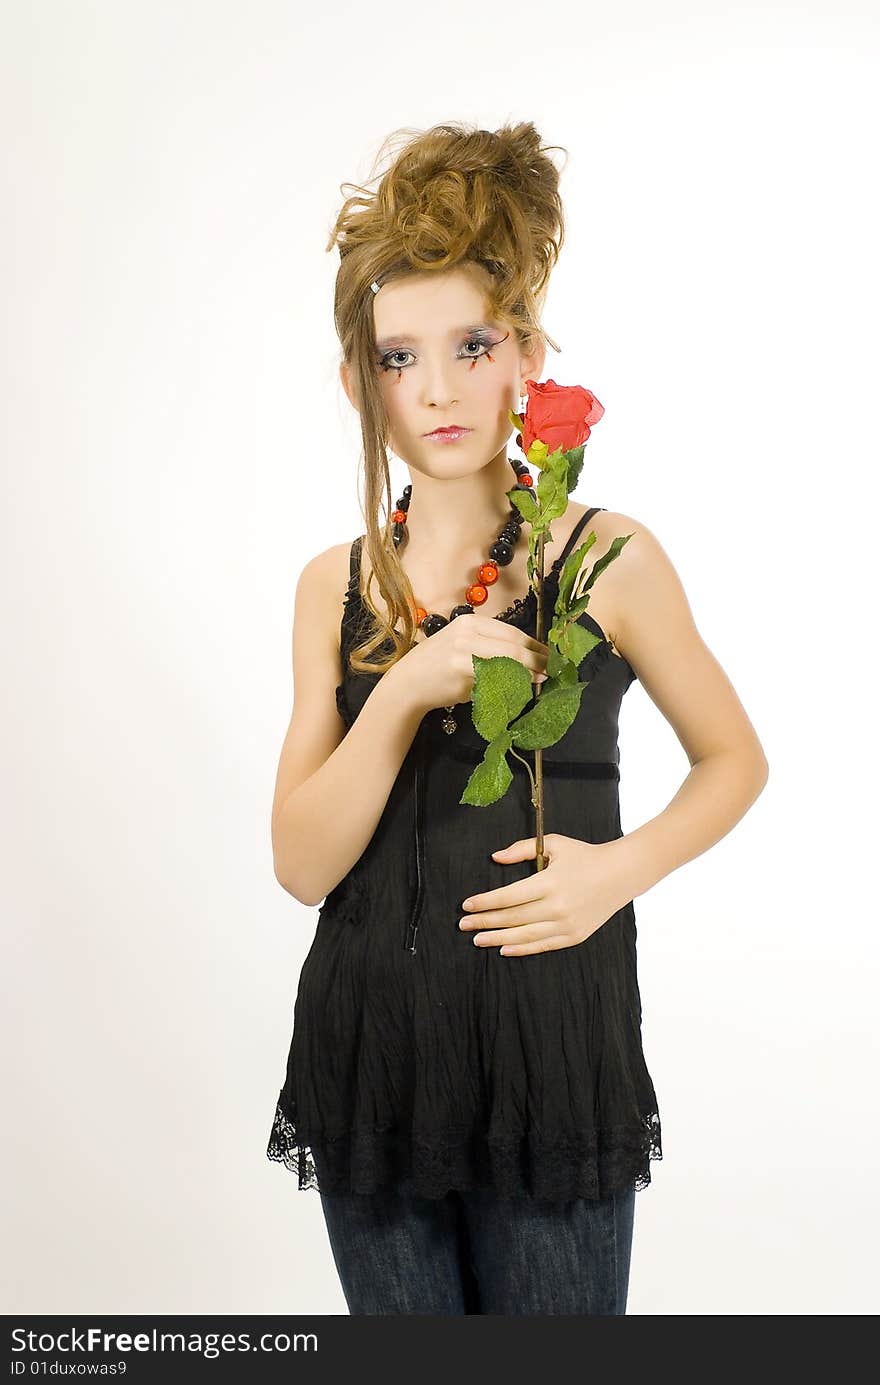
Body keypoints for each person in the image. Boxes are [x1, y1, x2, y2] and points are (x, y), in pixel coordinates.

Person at [266, 121, 770, 1315]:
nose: (436, 388)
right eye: (398, 359)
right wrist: (400, 689)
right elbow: (298, 863)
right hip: (373, 1048)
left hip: (550, 1043)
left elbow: (733, 757)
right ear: (358, 381)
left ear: (527, 355)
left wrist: (617, 871)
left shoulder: (608, 556)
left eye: (471, 345)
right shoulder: (333, 585)